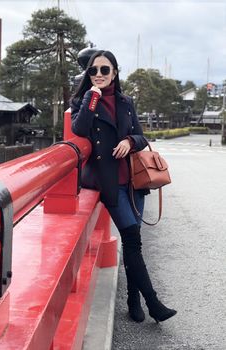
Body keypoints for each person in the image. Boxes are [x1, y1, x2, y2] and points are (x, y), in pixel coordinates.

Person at [70, 50, 177, 323]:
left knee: (133, 243)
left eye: (105, 70)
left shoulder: (126, 102)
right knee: (132, 238)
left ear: (115, 72)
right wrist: (91, 97)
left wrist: (130, 141)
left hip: (134, 181)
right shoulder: (85, 100)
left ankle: (133, 300)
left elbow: (141, 136)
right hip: (110, 183)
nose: (99, 75)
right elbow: (80, 129)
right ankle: (153, 303)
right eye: (93, 70)